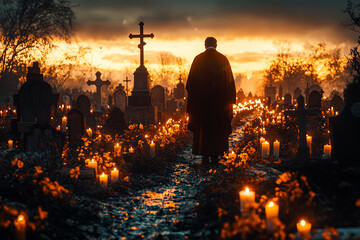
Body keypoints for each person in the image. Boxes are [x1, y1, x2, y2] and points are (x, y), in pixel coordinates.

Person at [186, 37, 236, 165]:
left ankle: (204, 155)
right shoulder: (223, 59)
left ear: (205, 45)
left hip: (202, 106)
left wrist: (195, 101)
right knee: (217, 129)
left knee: (203, 130)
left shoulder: (198, 59)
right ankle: (215, 155)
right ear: (216, 45)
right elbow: (230, 84)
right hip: (219, 106)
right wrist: (228, 102)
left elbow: (190, 84)